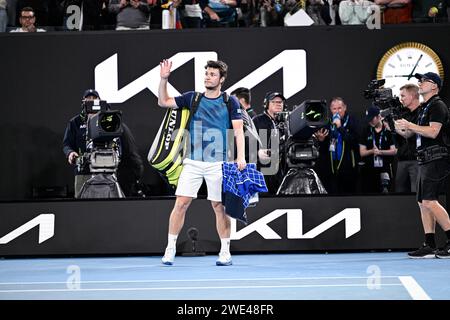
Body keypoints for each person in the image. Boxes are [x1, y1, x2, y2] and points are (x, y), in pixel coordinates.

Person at [158, 59, 246, 266]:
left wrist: (240, 156)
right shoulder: (193, 98)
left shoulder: (230, 101)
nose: (208, 77)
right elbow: (163, 101)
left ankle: (225, 251)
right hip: (193, 161)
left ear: (221, 79)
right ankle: (170, 248)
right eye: (206, 73)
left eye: (213, 74)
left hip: (218, 163)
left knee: (219, 207)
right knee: (180, 204)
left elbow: (239, 131)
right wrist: (163, 79)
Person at [395, 72, 450, 258]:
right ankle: (430, 244)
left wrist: (410, 125)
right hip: (425, 159)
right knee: (422, 203)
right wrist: (399, 124)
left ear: (434, 86)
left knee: (429, 201)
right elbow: (411, 134)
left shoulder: (438, 105)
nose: (420, 83)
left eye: (424, 81)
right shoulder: (426, 107)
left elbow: (434, 132)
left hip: (436, 158)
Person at [62, 89, 144, 198]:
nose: (91, 101)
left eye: (94, 98)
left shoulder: (109, 120)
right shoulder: (75, 122)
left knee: (111, 202)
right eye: (88, 99)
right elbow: (67, 144)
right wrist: (70, 153)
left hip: (108, 170)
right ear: (83, 102)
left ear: (99, 101)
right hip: (83, 171)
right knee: (82, 205)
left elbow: (118, 142)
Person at [314, 97, 360, 194]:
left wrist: (340, 128)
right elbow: (322, 149)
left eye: (339, 108)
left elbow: (354, 142)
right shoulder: (327, 123)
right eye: (334, 109)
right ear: (331, 110)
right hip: (331, 167)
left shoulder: (352, 121)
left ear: (345, 108)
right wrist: (321, 140)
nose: (337, 111)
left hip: (347, 167)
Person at [252, 91, 286, 194]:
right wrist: (257, 153)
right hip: (263, 170)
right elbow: (247, 143)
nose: (278, 104)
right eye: (274, 102)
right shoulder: (257, 120)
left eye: (280, 102)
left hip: (282, 169)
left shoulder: (287, 121)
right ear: (266, 104)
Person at [359, 105, 397, 193]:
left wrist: (380, 152)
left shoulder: (387, 130)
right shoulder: (366, 130)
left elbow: (394, 150)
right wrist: (372, 151)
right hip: (369, 170)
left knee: (385, 193)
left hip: (385, 169)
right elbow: (362, 152)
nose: (370, 121)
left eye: (372, 118)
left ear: (379, 117)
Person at [394, 84, 420, 193]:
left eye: (403, 96)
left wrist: (393, 126)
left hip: (416, 160)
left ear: (412, 96)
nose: (401, 99)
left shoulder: (422, 113)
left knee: (416, 193)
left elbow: (408, 134)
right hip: (402, 159)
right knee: (399, 194)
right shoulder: (404, 113)